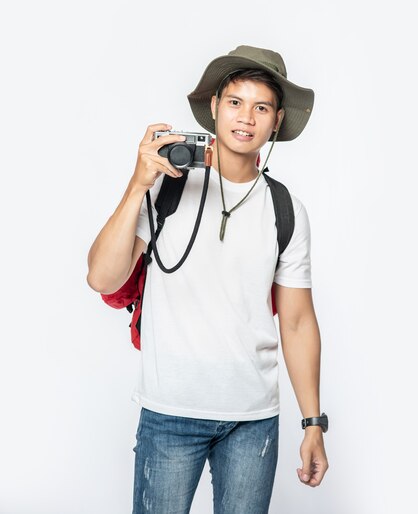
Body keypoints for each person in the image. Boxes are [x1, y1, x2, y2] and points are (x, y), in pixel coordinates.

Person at [87, 45, 329, 514]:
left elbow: (297, 322)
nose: (246, 117)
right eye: (235, 102)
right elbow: (101, 276)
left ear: (276, 120)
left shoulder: (285, 209)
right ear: (215, 107)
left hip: (253, 422)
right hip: (169, 413)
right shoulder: (167, 184)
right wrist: (137, 185)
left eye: (261, 107)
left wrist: (312, 421)